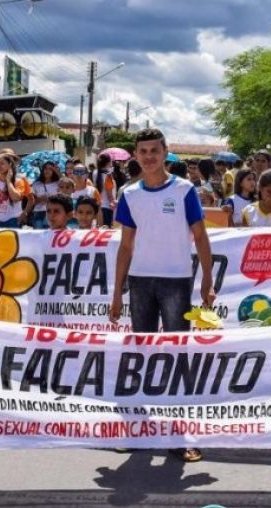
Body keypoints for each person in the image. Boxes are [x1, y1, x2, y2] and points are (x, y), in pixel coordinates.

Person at [109, 128, 214, 464]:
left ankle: (179, 435)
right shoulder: (129, 194)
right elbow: (125, 245)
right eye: (143, 151)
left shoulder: (184, 190)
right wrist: (116, 293)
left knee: (176, 357)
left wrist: (207, 280)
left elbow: (200, 237)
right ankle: (139, 432)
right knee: (142, 354)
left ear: (166, 152)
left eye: (155, 150)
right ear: (136, 156)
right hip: (140, 282)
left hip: (176, 281)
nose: (149, 156)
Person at [0, 152, 33, 228]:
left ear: (10, 165)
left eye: (2, 164)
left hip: (11, 221)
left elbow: (15, 198)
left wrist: (8, 181)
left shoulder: (19, 180)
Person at [30, 161, 61, 229]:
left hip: (53, 212)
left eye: (50, 169)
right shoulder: (36, 184)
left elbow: (66, 182)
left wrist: (58, 172)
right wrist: (40, 199)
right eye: (45, 168)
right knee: (38, 237)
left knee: (51, 236)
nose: (47, 171)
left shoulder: (58, 183)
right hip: (38, 213)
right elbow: (31, 201)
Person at [94, 153, 117, 226]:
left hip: (98, 207)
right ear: (108, 162)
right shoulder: (108, 174)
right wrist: (114, 204)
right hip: (107, 207)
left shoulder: (95, 172)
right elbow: (109, 192)